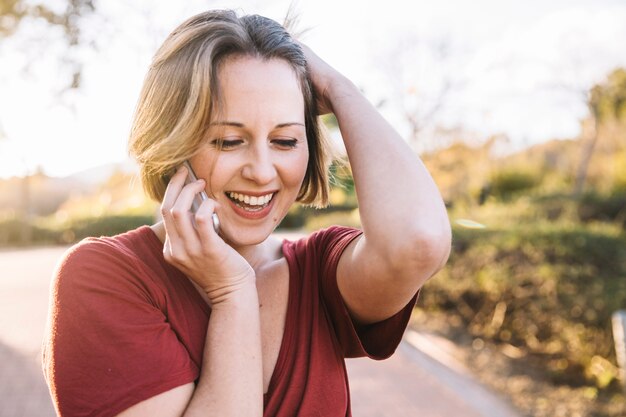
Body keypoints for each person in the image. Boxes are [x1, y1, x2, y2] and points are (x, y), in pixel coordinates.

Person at [42, 9, 451, 417]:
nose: (261, 171)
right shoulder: (105, 276)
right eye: (229, 140)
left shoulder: (320, 271)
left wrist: (340, 89)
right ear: (171, 142)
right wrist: (232, 292)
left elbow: (418, 241)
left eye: (286, 140)